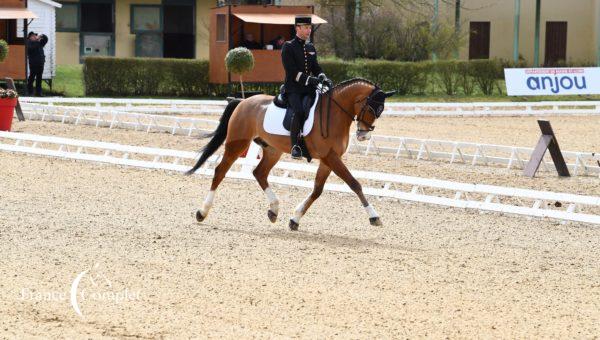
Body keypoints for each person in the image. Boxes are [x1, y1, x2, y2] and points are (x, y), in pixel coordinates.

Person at [281, 15, 331, 159]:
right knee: (299, 111)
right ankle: (295, 146)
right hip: (293, 89)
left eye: (310, 28)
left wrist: (322, 76)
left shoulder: (310, 47)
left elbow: (316, 67)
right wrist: (311, 80)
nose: (309, 30)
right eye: (306, 28)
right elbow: (291, 72)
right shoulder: (288, 46)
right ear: (297, 28)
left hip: (308, 89)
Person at [26, 32, 48, 97]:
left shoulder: (39, 43)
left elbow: (46, 39)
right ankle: (30, 92)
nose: (35, 36)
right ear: (30, 37)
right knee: (32, 77)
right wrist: (37, 41)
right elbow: (32, 48)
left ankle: (38, 93)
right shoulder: (29, 43)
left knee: (39, 78)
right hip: (33, 63)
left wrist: (42, 35)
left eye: (36, 35)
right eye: (33, 36)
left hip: (41, 62)